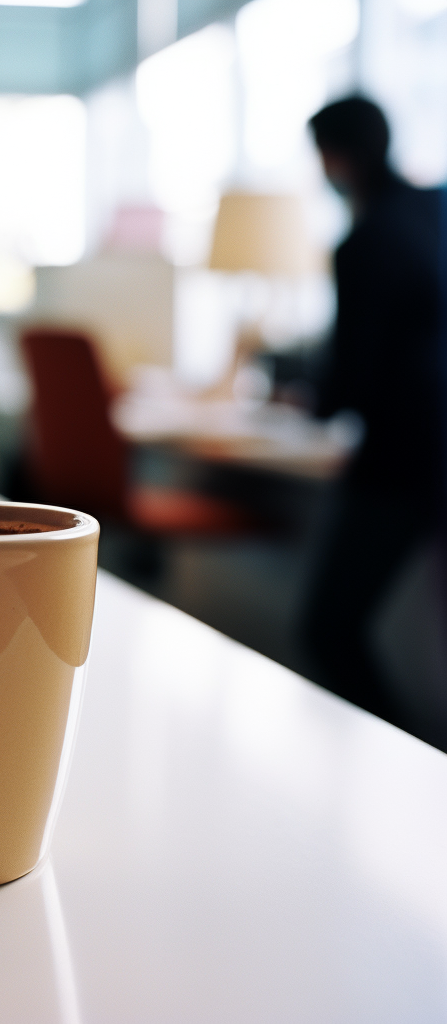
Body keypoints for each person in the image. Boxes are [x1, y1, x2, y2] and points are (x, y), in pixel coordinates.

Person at [301, 97, 442, 724]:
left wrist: (306, 400)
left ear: (336, 157)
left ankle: (401, 759)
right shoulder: (438, 207)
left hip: (404, 461)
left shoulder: (363, 244)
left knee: (328, 629)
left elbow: (346, 387)